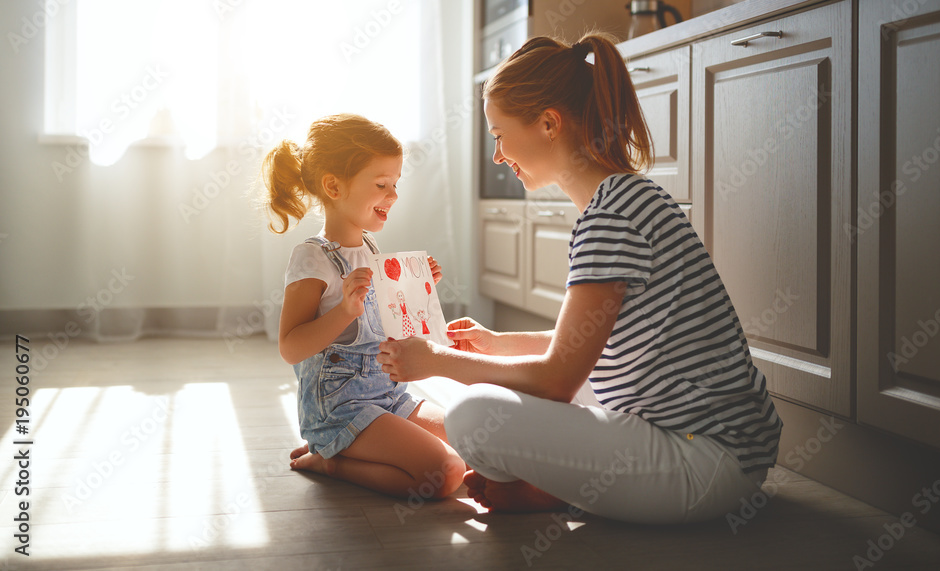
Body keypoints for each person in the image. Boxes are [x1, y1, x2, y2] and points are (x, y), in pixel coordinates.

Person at [376, 34, 783, 524]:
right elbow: (591, 344)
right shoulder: (625, 197)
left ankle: (558, 491)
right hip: (720, 448)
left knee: (473, 413)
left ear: (549, 123)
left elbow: (557, 381)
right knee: (499, 386)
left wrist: (438, 360)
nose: (498, 155)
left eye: (500, 135)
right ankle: (558, 490)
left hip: (705, 460)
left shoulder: (609, 219)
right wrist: (494, 343)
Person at [260, 114, 464, 499]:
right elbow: (290, 346)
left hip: (387, 396)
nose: (394, 195)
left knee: (473, 444)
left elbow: (387, 324)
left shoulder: (369, 248)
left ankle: (344, 453)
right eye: (382, 184)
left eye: (396, 184)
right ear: (334, 186)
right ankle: (331, 461)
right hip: (341, 408)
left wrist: (415, 289)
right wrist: (342, 313)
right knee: (447, 473)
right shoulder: (312, 259)